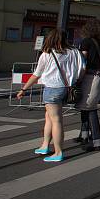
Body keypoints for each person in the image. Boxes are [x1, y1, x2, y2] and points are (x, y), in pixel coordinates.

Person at [16, 29, 84, 163]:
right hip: (66, 88)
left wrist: (23, 89)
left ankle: (58, 152)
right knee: (49, 117)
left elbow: (37, 74)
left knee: (56, 120)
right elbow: (82, 69)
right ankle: (45, 145)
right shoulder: (75, 52)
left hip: (52, 89)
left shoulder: (46, 54)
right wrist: (75, 81)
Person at [76, 19, 100, 151]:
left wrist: (78, 77)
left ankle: (97, 141)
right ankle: (84, 135)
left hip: (89, 77)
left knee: (89, 108)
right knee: (86, 105)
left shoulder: (86, 42)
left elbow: (82, 62)